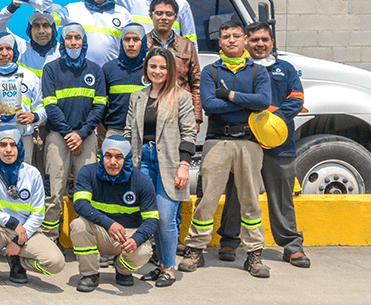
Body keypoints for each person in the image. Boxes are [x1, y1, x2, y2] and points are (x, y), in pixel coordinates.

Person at [181, 20, 273, 278]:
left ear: (245, 40)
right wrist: (246, 103)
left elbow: (263, 101)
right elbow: (210, 105)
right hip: (217, 142)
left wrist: (229, 95)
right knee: (207, 199)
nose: (231, 40)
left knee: (251, 201)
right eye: (225, 36)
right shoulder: (210, 71)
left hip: (249, 143)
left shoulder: (258, 72)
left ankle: (254, 254)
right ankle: (195, 249)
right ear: (219, 42)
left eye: (236, 35)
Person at [217, 22, 310, 268]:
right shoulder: (242, 70)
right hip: (246, 141)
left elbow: (297, 99)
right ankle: (229, 241)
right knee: (236, 192)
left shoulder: (285, 69)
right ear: (246, 42)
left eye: (265, 39)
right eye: (255, 39)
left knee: (282, 196)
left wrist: (269, 122)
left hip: (280, 144)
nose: (260, 44)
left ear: (272, 42)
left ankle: (292, 246)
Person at [123, 47, 197, 287]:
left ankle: (169, 268)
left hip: (170, 162)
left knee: (166, 217)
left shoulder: (181, 96)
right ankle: (161, 265)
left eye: (163, 67)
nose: (157, 71)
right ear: (146, 68)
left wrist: (184, 165)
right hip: (142, 160)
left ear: (170, 70)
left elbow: (189, 134)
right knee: (151, 216)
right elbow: (128, 131)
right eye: (153, 66)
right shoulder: (137, 96)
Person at [0, 128, 65, 293]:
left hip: (24, 233)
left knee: (56, 263)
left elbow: (38, 214)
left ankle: (18, 261)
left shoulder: (32, 173)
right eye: (3, 145)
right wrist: (11, 222)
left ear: (20, 148)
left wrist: (19, 240)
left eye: (13, 145)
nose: (8, 150)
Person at [39, 23, 107, 241]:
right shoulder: (51, 69)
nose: (73, 42)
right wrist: (69, 134)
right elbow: (50, 106)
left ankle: (84, 238)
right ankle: (50, 238)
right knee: (53, 191)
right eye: (69, 38)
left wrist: (81, 134)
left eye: (78, 38)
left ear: (84, 42)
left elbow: (99, 107)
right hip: (58, 136)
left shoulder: (95, 70)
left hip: (86, 137)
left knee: (85, 192)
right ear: (62, 42)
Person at [69, 135, 158, 293]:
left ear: (127, 158)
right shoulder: (87, 172)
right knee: (78, 225)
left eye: (119, 157)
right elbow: (80, 204)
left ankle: (122, 269)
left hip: (127, 236)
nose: (112, 162)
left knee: (144, 251)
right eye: (108, 156)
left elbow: (152, 219)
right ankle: (90, 274)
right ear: (101, 156)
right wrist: (108, 224)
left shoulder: (142, 181)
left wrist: (136, 239)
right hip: (100, 231)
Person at [0, 32, 44, 168]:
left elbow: (42, 106)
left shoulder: (29, 77)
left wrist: (34, 116)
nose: (4, 53)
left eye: (8, 48)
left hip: (22, 138)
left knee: (23, 176)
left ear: (15, 50)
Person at [51, 0, 132, 66]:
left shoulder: (123, 14)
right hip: (81, 72)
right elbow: (48, 20)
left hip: (111, 72)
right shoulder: (73, 9)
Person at [146, 0, 202, 128]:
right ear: (151, 15)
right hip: (150, 111)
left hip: (180, 110)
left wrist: (196, 117)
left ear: (175, 17)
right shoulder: (143, 44)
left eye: (169, 14)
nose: (164, 18)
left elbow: (196, 83)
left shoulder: (187, 46)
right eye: (159, 13)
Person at [101, 23, 149, 137]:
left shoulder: (150, 69)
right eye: (127, 39)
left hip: (145, 132)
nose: (131, 44)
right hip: (116, 131)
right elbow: (100, 103)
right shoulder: (109, 69)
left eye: (136, 39)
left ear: (143, 42)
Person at [0, 3, 61, 79]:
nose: (41, 31)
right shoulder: (20, 47)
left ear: (53, 30)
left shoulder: (62, 52)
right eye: (36, 26)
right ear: (30, 30)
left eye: (45, 25)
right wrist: (13, 6)